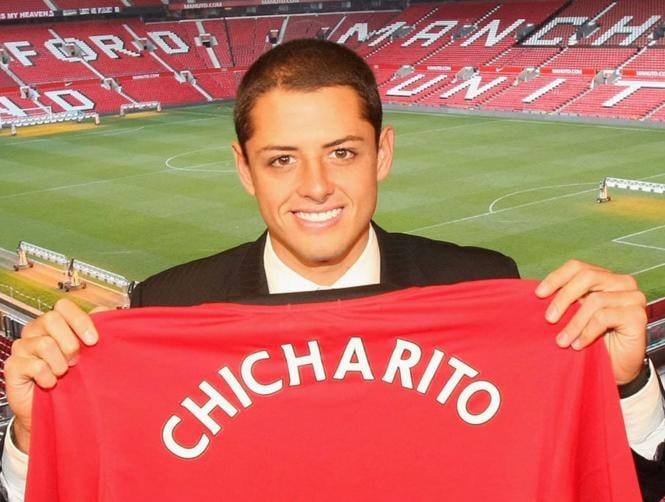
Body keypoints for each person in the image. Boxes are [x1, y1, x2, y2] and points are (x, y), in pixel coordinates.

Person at [2, 38, 663, 501]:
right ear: (244, 169)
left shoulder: (483, 286)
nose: (315, 186)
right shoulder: (168, 306)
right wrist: (35, 434)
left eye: (342, 152)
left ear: (382, 154)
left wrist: (625, 385)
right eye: (281, 159)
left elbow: (605, 482)